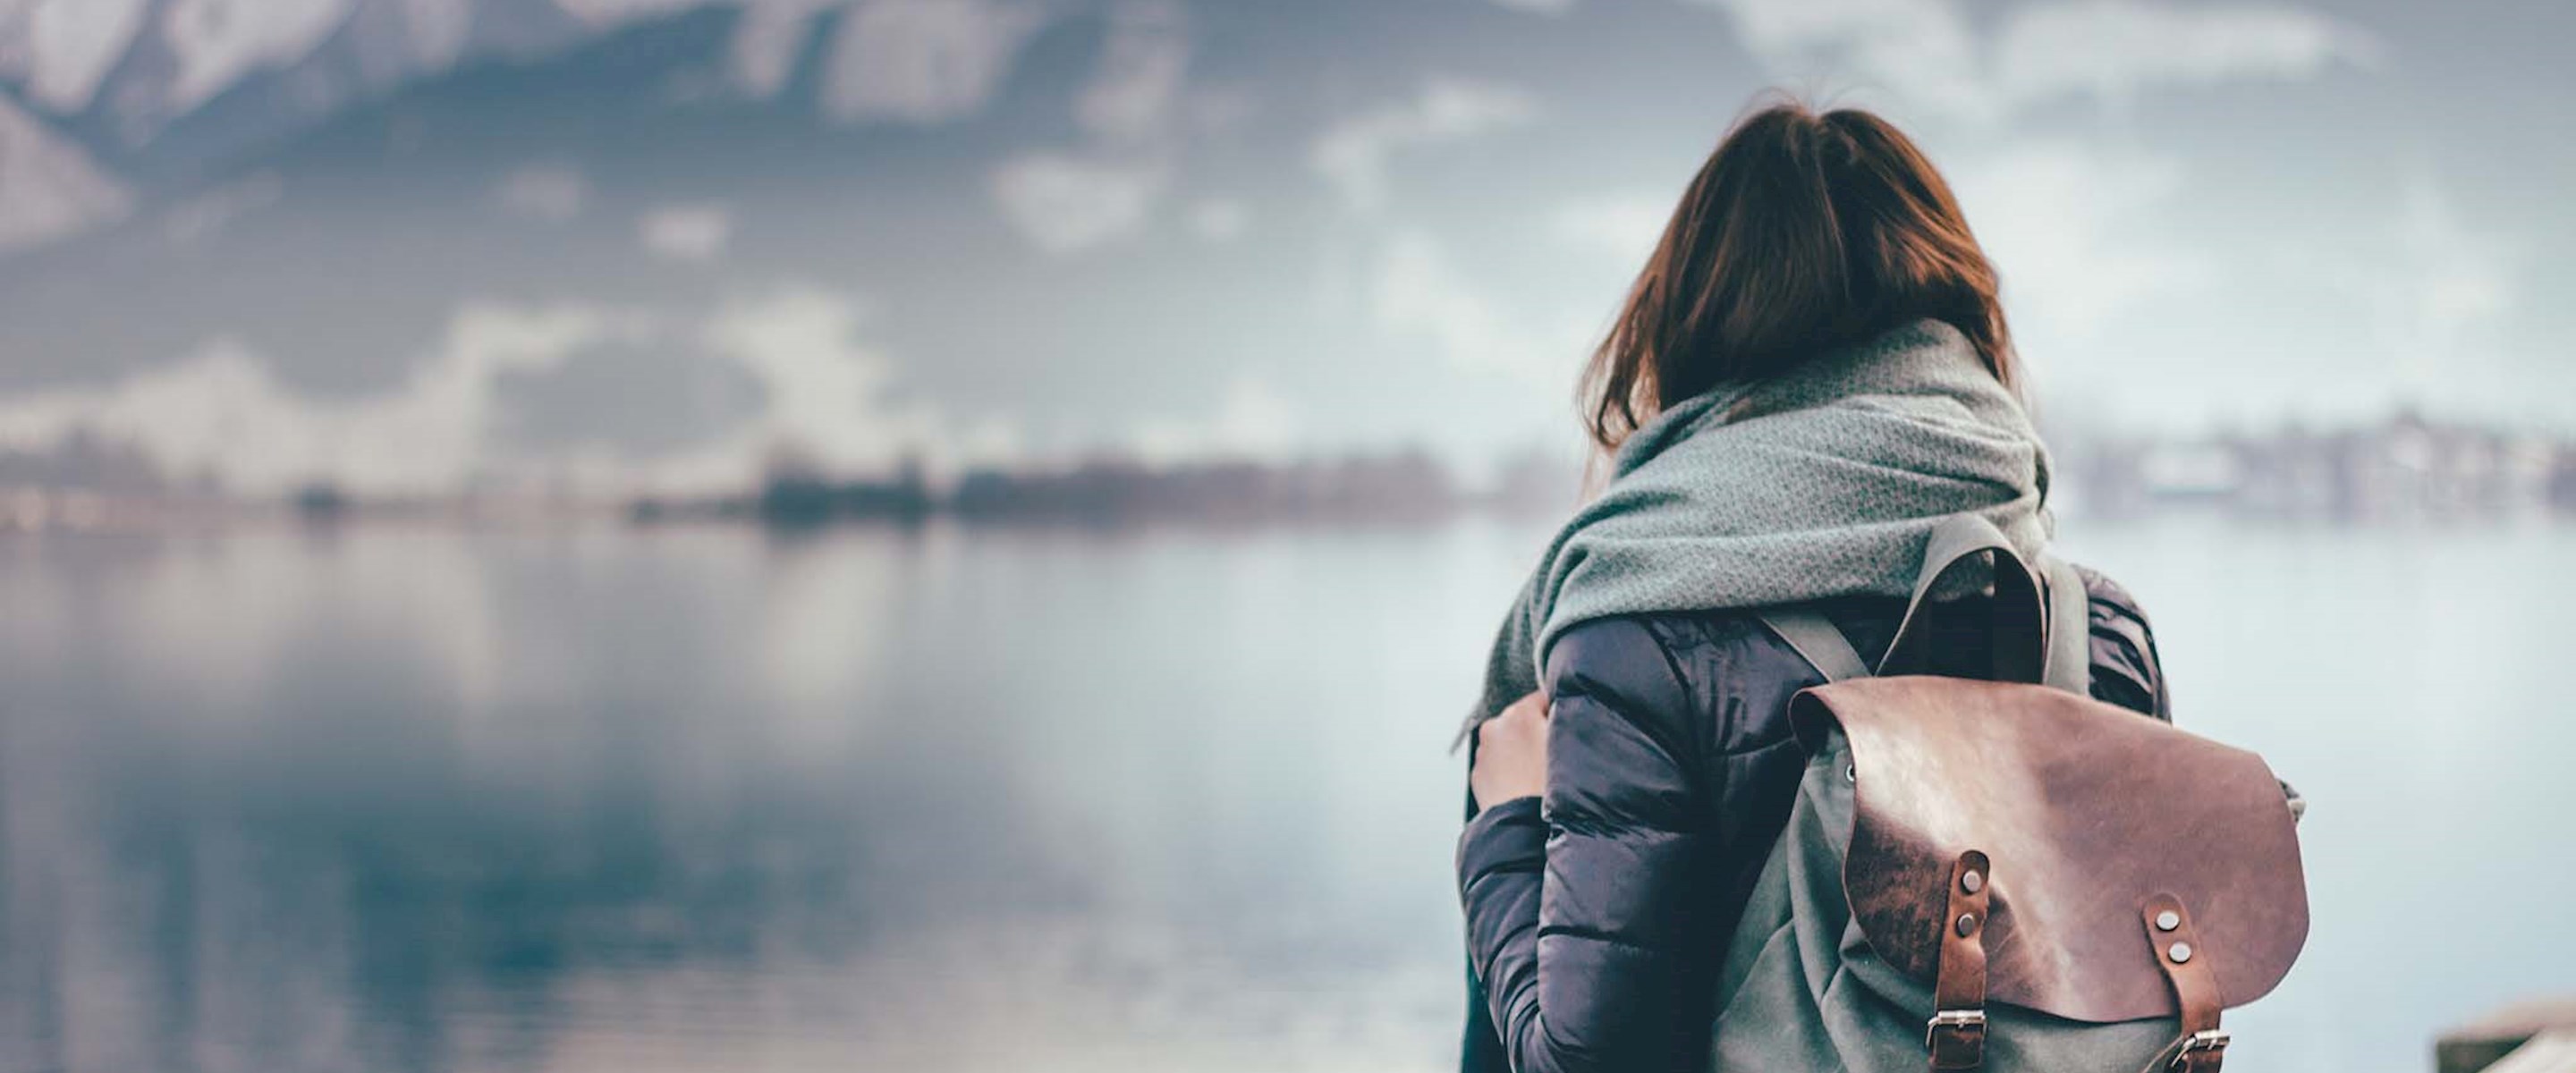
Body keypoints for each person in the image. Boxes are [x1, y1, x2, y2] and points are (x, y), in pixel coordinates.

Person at [1453, 99, 2172, 1073]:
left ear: (1694, 326)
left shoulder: (1634, 638)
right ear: (1956, 326)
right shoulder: (2094, 629)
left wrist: (1508, 827)